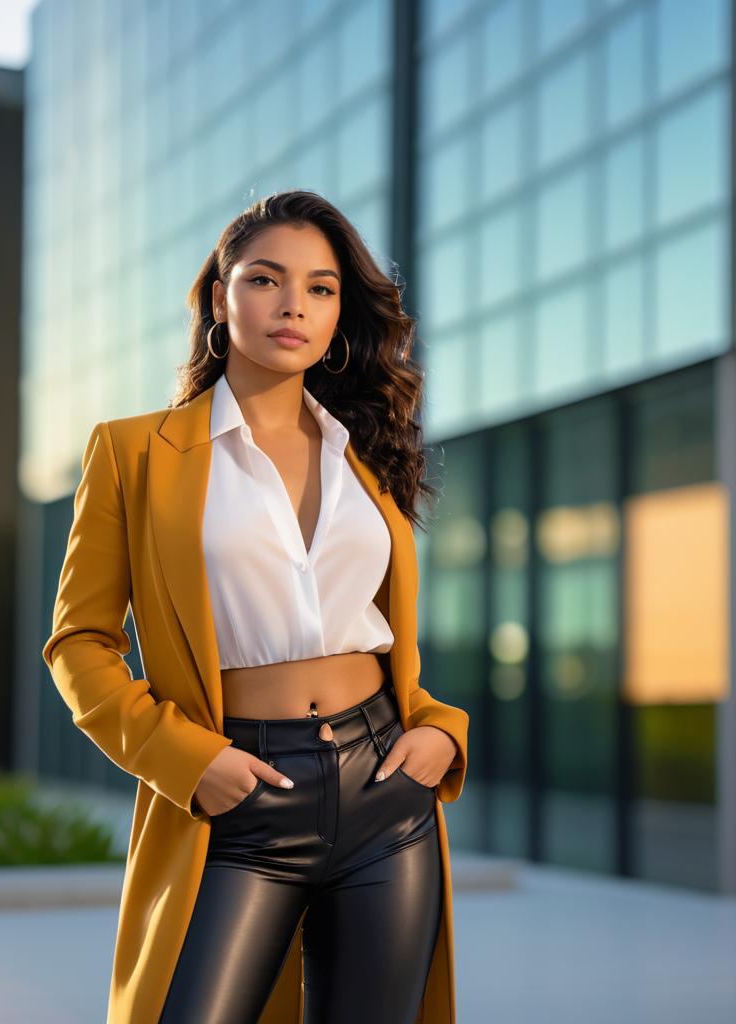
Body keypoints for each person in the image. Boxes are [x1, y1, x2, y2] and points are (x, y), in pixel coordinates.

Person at [42, 190, 469, 1024]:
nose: (293, 306)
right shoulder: (135, 453)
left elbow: (383, 637)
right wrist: (184, 758)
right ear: (219, 296)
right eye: (266, 280)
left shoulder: (369, 457)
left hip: (385, 788)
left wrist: (436, 730)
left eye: (320, 288)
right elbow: (78, 642)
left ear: (341, 312)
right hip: (237, 791)